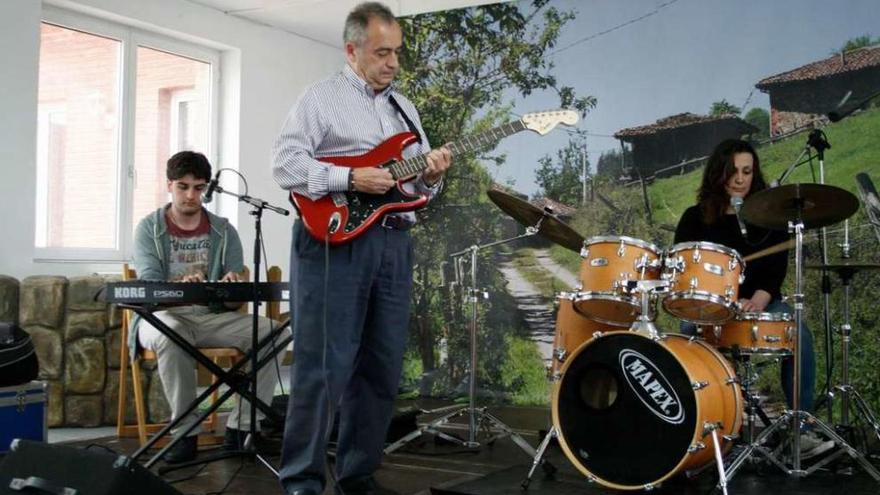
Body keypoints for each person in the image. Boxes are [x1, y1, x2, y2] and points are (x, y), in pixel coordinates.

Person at [272, 3, 452, 494]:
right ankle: (301, 481)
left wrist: (429, 178)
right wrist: (349, 176)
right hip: (333, 242)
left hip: (393, 244)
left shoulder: (405, 111)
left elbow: (409, 193)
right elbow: (285, 166)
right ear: (352, 51)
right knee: (323, 365)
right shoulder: (320, 99)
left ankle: (358, 475)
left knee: (381, 365)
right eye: (381, 52)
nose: (392, 63)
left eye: (397, 53)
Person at [674, 138, 831, 458]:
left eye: (747, 171)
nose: (740, 178)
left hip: (760, 302)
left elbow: (775, 270)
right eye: (733, 171)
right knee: (685, 337)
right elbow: (682, 265)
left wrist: (759, 300)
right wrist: (708, 303)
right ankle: (696, 429)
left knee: (798, 332)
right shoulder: (695, 217)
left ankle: (802, 430)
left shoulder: (770, 216)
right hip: (710, 306)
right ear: (718, 173)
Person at [132, 150, 281, 464]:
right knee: (171, 333)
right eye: (183, 187)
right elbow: (149, 286)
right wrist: (180, 285)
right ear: (169, 185)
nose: (191, 195)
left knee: (274, 333)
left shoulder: (224, 231)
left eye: (198, 187)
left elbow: (235, 300)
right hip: (164, 316)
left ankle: (243, 430)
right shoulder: (149, 228)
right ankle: (185, 434)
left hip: (212, 317)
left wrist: (231, 285)